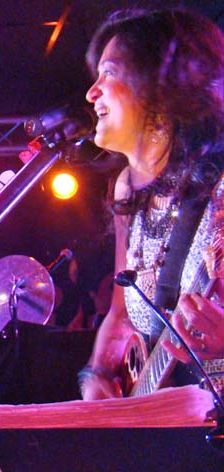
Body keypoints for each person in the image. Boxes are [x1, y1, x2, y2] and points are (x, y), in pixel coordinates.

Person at [78, 8, 224, 401]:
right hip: (169, 418)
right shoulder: (127, 189)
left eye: (109, 73)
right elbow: (121, 314)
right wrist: (97, 373)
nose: (92, 93)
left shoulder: (219, 188)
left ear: (160, 86)